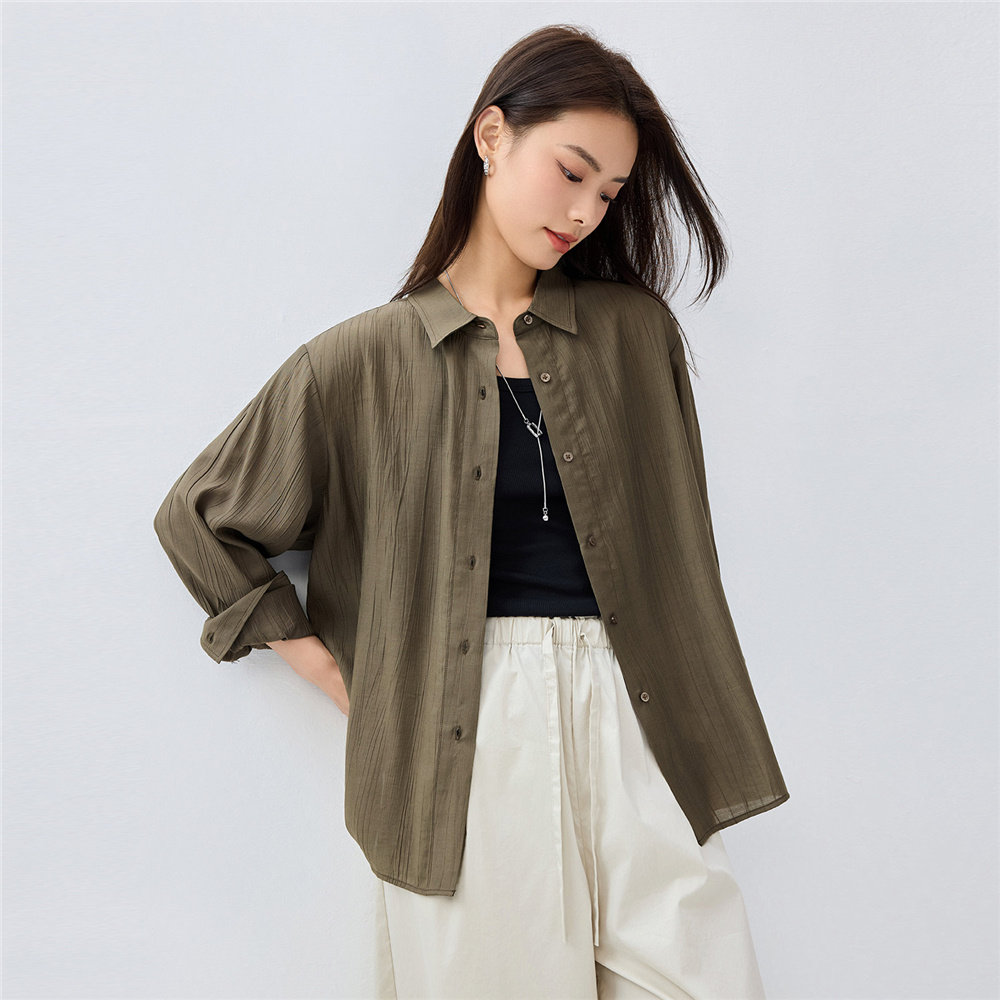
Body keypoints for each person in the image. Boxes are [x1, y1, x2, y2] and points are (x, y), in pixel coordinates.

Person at [153, 23, 789, 1000]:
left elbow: (675, 548)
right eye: (570, 172)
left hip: (639, 707)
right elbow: (198, 519)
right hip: (468, 725)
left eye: (608, 193)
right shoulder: (362, 360)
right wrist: (331, 668)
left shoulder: (635, 336)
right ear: (491, 136)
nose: (584, 212)